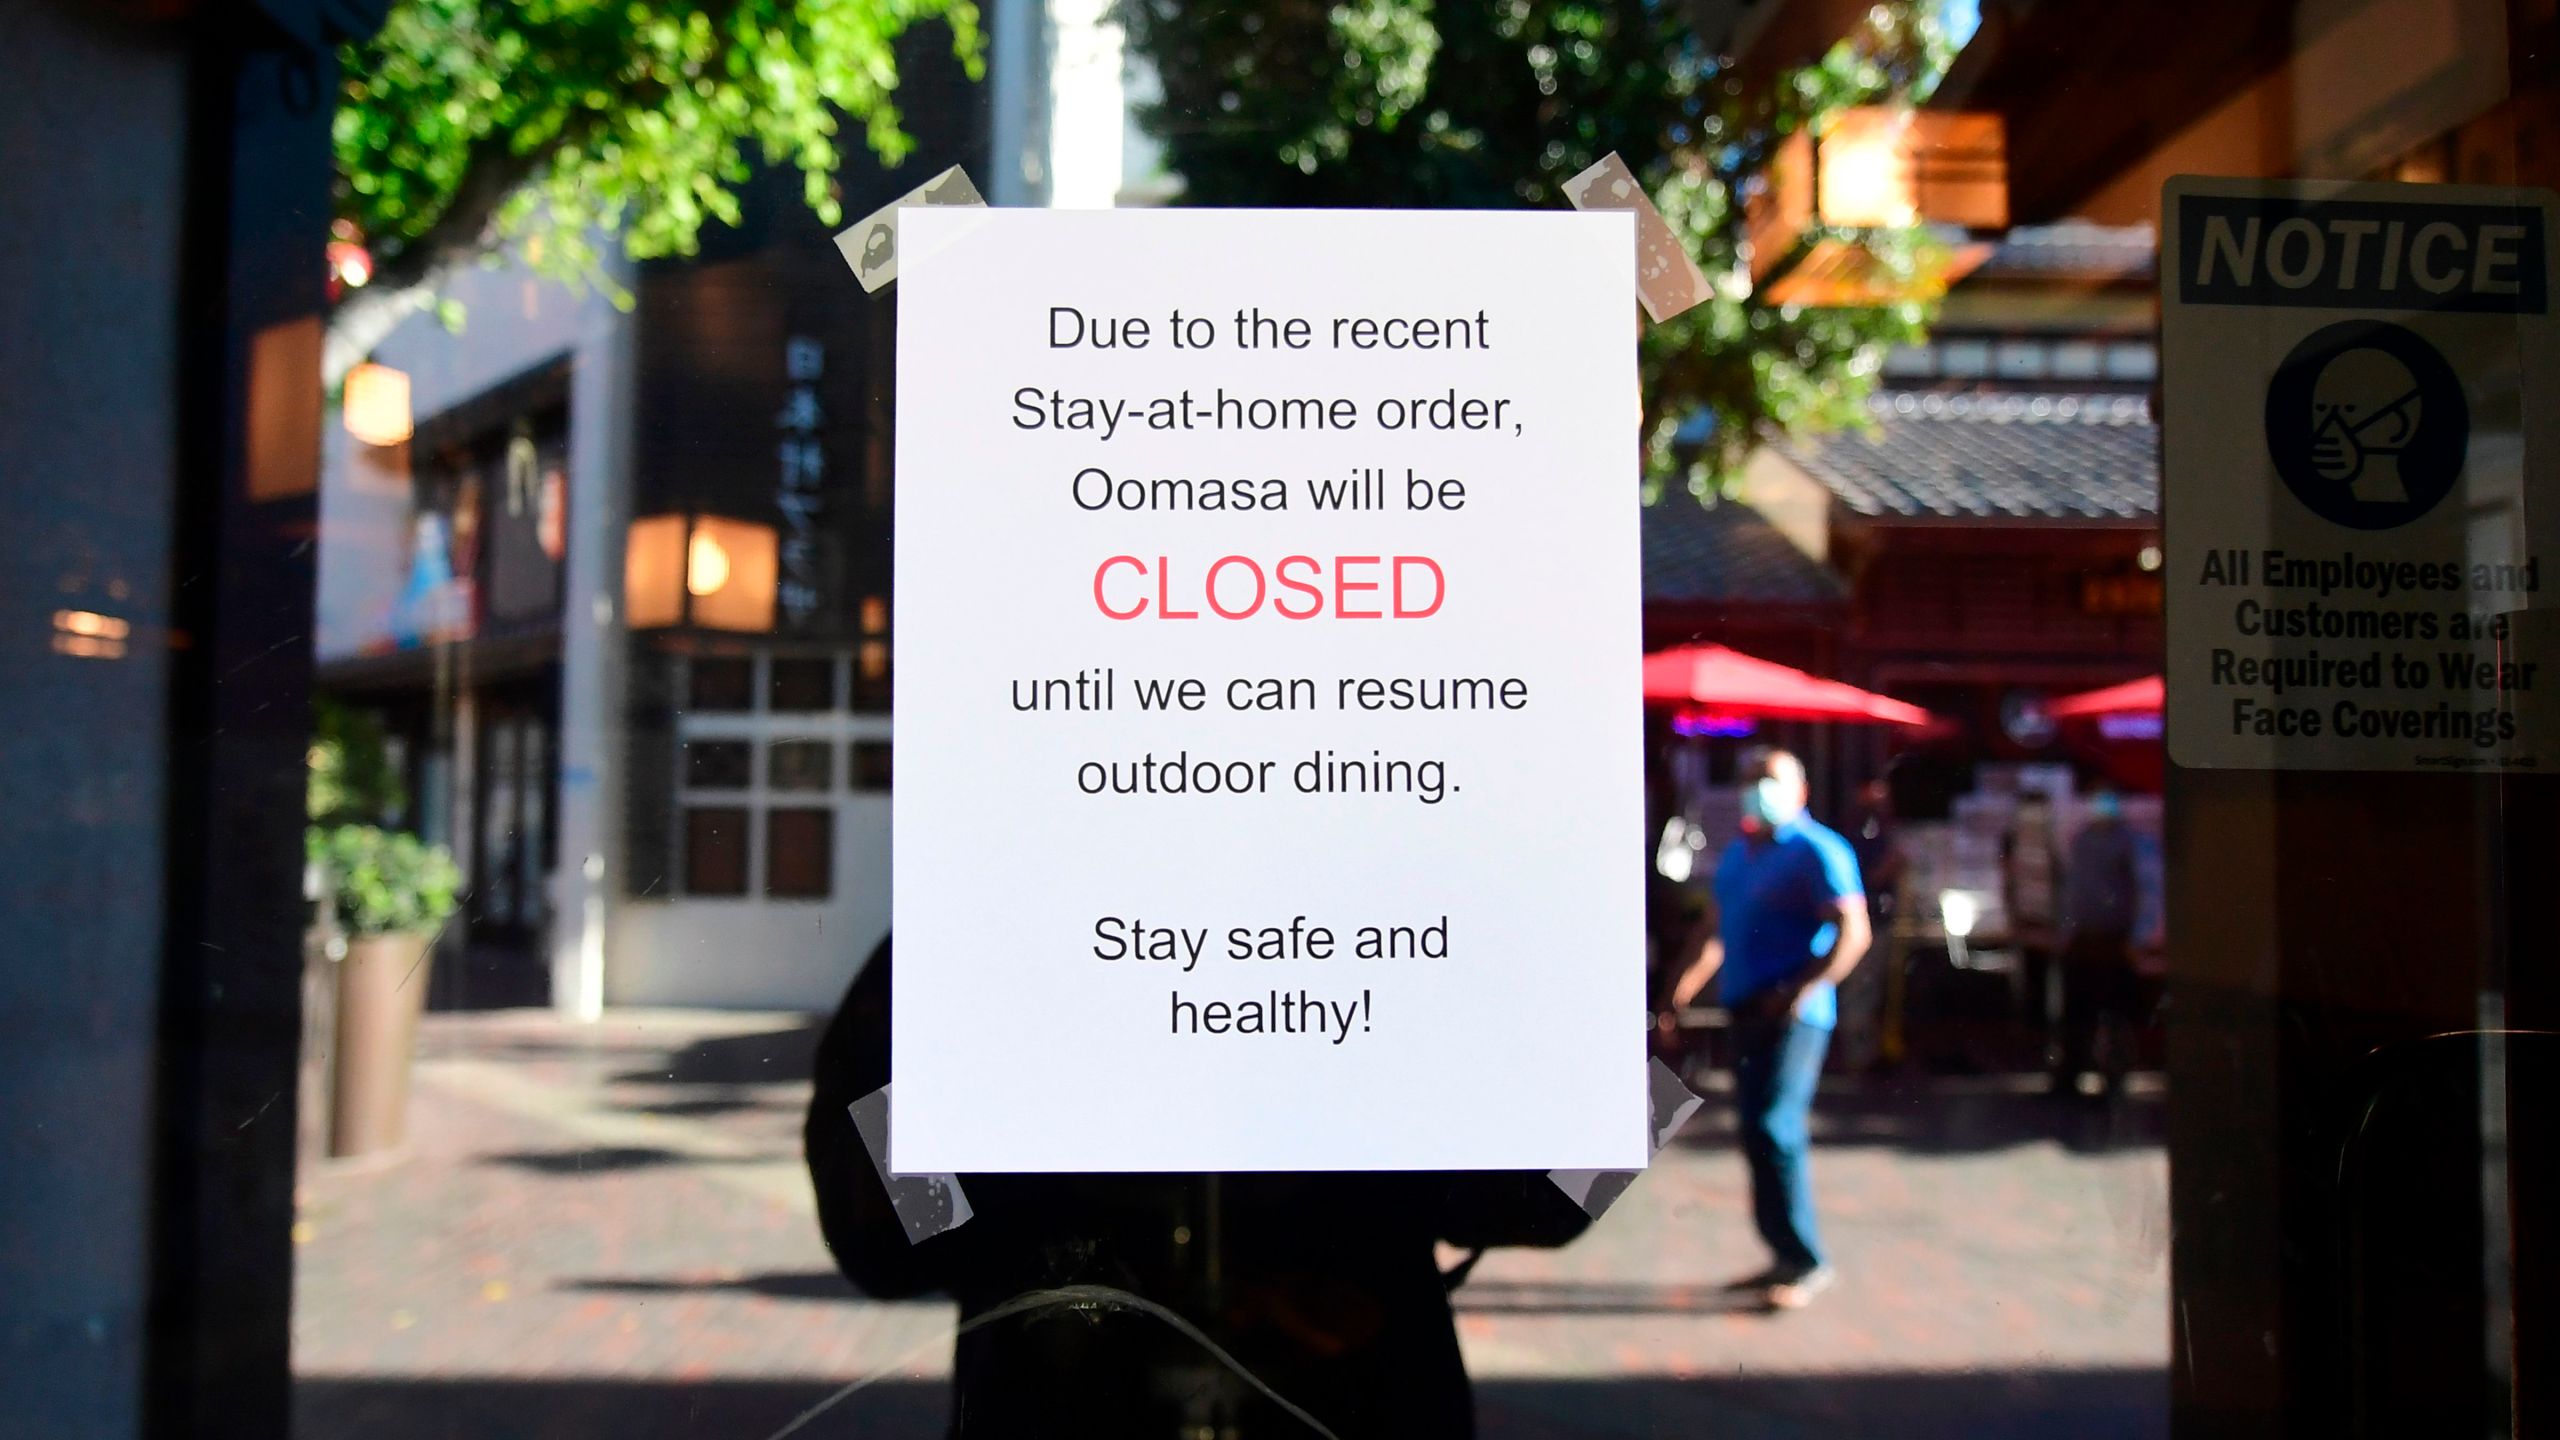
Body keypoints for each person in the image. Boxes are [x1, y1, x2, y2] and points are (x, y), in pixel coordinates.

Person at [804, 938, 1594, 1438]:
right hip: (1067, 1403)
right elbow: (884, 1240)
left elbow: (1546, 1197)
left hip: (1350, 1402)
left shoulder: (1405, 938)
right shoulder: (980, 936)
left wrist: (1630, 1058)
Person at [1660, 747, 1871, 1310]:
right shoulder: (1740, 856)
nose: (1759, 789)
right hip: (1745, 1010)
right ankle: (1782, 1253)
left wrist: (1802, 989)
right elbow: (1714, 931)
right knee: (1756, 1131)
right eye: (1751, 779)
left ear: (1800, 791)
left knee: (1777, 1128)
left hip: (1794, 1018)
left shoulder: (1819, 850)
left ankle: (1806, 1260)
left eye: (1770, 780)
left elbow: (1854, 932)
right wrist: (1677, 991)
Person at [2056, 789, 2143, 1099]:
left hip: (2113, 941)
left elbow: (2136, 891)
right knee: (2078, 1014)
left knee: (2114, 1015)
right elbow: (2073, 890)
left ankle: (2113, 1078)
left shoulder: (2126, 843)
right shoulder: (2081, 840)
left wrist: (2133, 937)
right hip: (2082, 940)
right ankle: (2071, 1075)